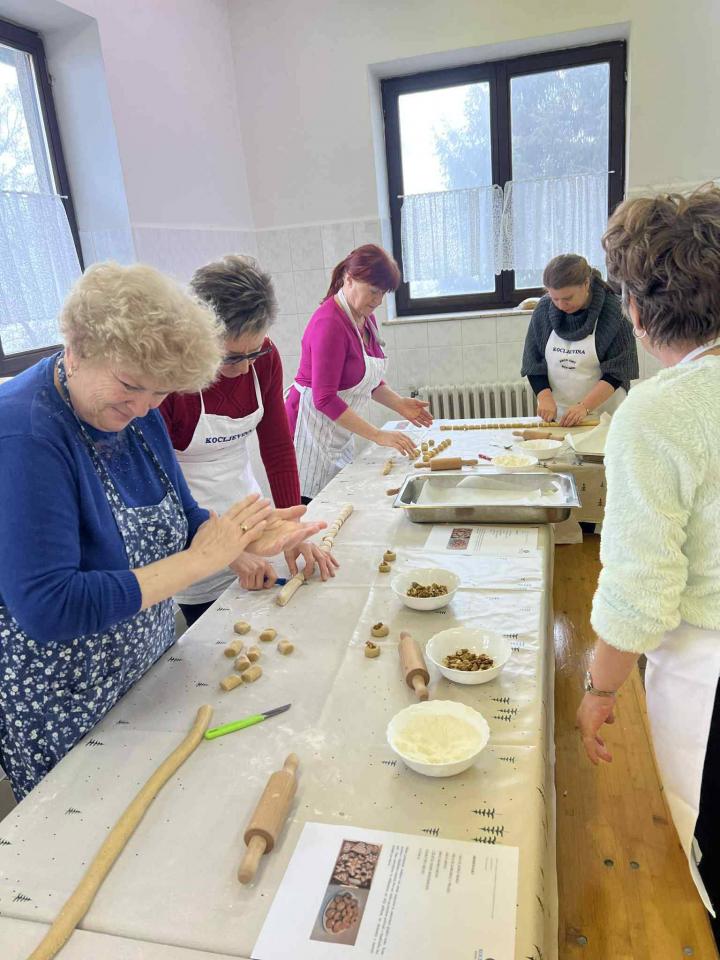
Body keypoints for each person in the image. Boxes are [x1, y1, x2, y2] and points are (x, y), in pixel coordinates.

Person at [0, 262, 324, 800]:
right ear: (76, 348)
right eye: (130, 387)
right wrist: (199, 562)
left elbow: (182, 514)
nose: (142, 409)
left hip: (146, 669)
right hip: (66, 698)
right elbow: (49, 605)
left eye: (159, 394)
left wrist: (239, 536)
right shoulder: (25, 435)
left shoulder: (141, 407)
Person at [576, 187, 720, 935]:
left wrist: (599, 689)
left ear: (634, 308)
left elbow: (640, 593)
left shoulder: (661, 411)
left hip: (708, 673)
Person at [161, 256, 337, 627]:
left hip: (254, 525)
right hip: (192, 535)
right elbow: (160, 484)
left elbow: (277, 447)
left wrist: (292, 528)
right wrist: (226, 553)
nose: (244, 368)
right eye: (230, 358)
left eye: (252, 352)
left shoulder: (266, 359)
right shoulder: (172, 383)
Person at [285, 244, 432, 501]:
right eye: (373, 291)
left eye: (383, 293)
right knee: (312, 506)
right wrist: (377, 435)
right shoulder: (329, 323)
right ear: (349, 279)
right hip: (309, 433)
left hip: (336, 432)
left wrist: (399, 404)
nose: (378, 300)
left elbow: (366, 379)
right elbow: (324, 399)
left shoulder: (365, 318)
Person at [521, 254, 638, 426]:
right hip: (559, 415)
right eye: (554, 298)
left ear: (586, 284)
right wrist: (544, 398)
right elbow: (533, 362)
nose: (561, 305)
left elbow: (618, 371)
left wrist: (584, 407)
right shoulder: (544, 309)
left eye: (568, 298)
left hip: (605, 416)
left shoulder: (615, 311)